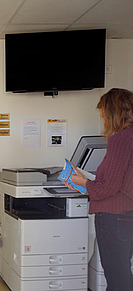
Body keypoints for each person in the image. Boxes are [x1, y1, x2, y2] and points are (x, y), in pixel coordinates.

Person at [63, 88, 133, 291]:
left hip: (113, 217)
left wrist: (84, 182)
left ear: (113, 113)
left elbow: (108, 188)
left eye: (104, 115)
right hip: (128, 214)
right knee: (123, 273)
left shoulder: (120, 139)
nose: (103, 121)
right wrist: (89, 181)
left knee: (117, 277)